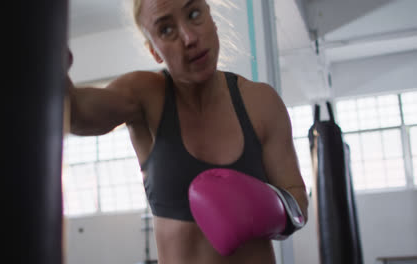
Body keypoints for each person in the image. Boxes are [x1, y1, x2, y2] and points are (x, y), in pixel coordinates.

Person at [65, 0, 309, 263]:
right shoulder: (145, 96)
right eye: (166, 30)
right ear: (155, 51)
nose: (189, 37)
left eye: (194, 14)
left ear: (211, 17)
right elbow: (77, 114)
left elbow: (298, 203)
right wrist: (44, 51)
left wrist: (264, 206)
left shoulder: (261, 102)